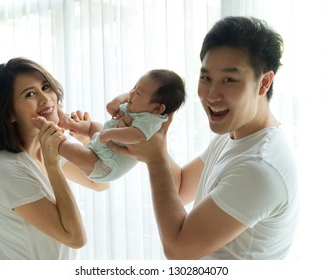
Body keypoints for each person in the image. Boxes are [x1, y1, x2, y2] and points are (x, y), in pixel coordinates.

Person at [107, 16, 299, 259]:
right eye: (206, 78)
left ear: (263, 83)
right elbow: (180, 187)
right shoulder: (235, 134)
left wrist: (155, 159)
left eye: (229, 80)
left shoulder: (260, 167)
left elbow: (179, 250)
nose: (211, 94)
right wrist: (151, 136)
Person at [0, 57, 108, 260]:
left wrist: (85, 141)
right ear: (9, 113)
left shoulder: (47, 149)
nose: (46, 98)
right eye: (30, 94)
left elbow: (99, 182)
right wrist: (53, 164)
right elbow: (75, 238)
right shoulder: (8, 170)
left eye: (46, 87)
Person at [36, 69, 185, 183]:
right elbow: (126, 96)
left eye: (138, 93)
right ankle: (68, 123)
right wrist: (115, 103)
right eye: (134, 87)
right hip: (103, 146)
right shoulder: (140, 104)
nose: (131, 93)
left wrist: (109, 134)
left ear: (158, 108)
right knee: (94, 126)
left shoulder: (151, 120)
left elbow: (136, 135)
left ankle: (52, 137)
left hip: (106, 165)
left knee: (76, 152)